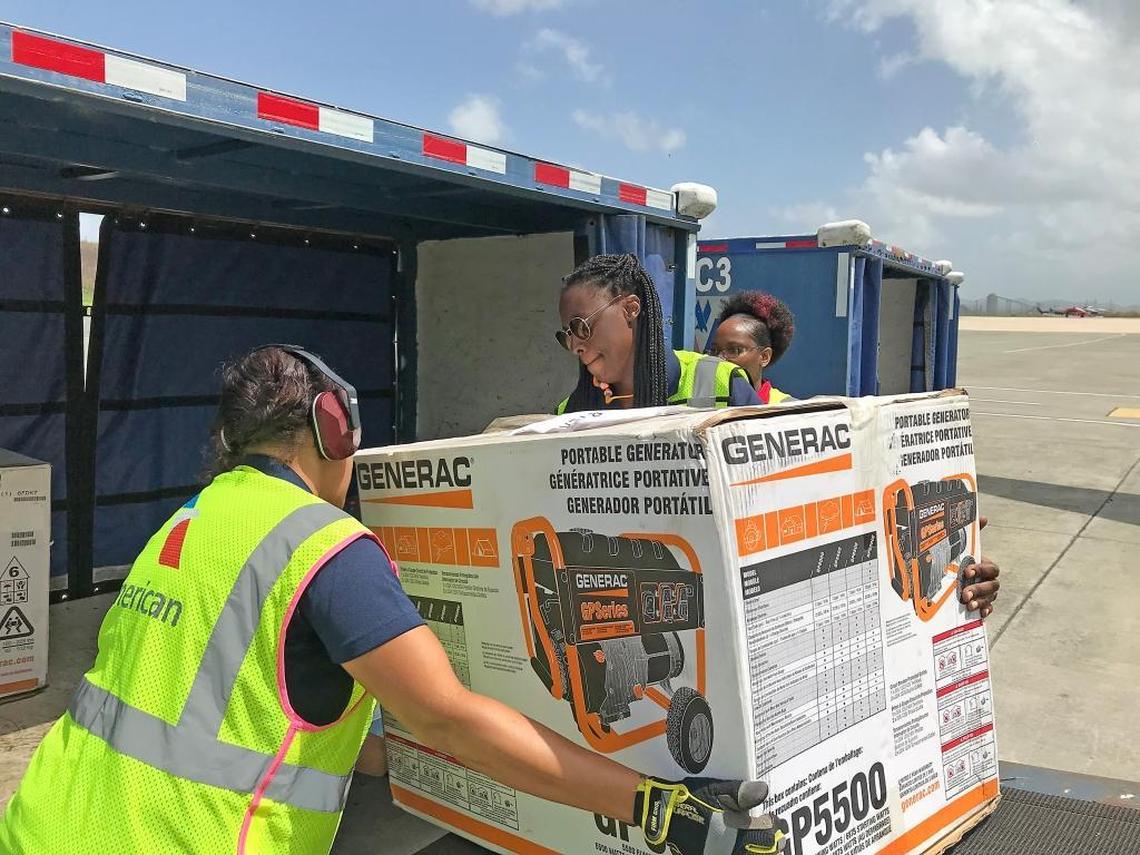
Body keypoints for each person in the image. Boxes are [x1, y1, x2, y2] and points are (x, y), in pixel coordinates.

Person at [0, 344, 786, 855]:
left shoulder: (186, 520)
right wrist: (661, 808)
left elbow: (254, 715)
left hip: (42, 825)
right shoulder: (322, 544)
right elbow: (443, 714)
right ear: (333, 430)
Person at [555, 253, 760, 413]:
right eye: (567, 336)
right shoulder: (569, 414)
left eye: (581, 326)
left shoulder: (722, 386)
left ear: (630, 309)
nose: (574, 347)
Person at [706, 292, 795, 404]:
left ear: (764, 357)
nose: (719, 359)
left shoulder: (787, 410)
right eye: (714, 351)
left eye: (735, 350)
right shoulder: (701, 402)